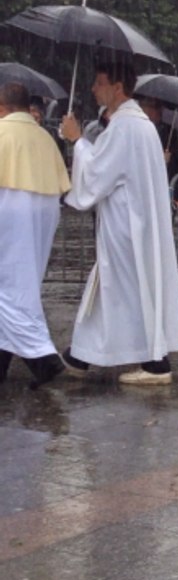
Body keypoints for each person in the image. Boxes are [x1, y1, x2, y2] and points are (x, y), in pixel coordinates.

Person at [59, 61, 178, 385]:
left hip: (126, 224)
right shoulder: (136, 124)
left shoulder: (126, 126)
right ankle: (82, 354)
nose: (93, 88)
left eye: (99, 82)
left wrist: (77, 140)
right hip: (132, 222)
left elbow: (99, 173)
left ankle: (155, 362)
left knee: (126, 289)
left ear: (117, 88)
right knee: (114, 288)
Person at [0, 83, 71, 387]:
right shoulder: (44, 136)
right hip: (45, 207)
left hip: (10, 205)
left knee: (7, 288)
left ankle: (42, 357)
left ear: (2, 107)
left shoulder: (2, 131)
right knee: (21, 286)